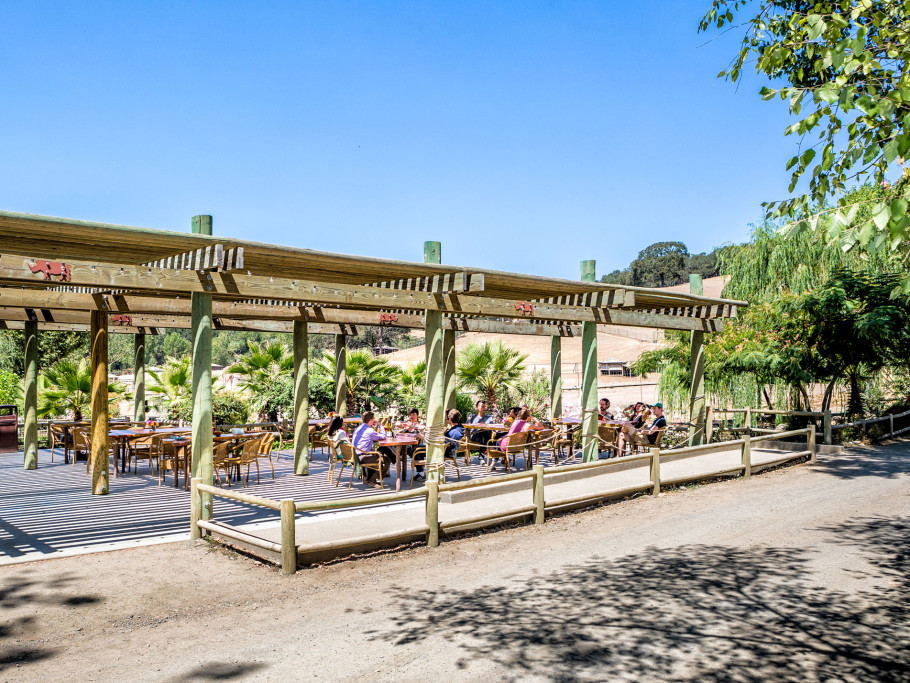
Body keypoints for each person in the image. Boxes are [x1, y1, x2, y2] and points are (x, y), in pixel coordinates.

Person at [350, 411, 393, 487]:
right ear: (372, 420)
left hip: (355, 455)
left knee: (375, 454)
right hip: (362, 456)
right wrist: (380, 425)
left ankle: (371, 479)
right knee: (385, 458)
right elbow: (383, 436)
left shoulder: (358, 428)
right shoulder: (370, 431)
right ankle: (372, 479)